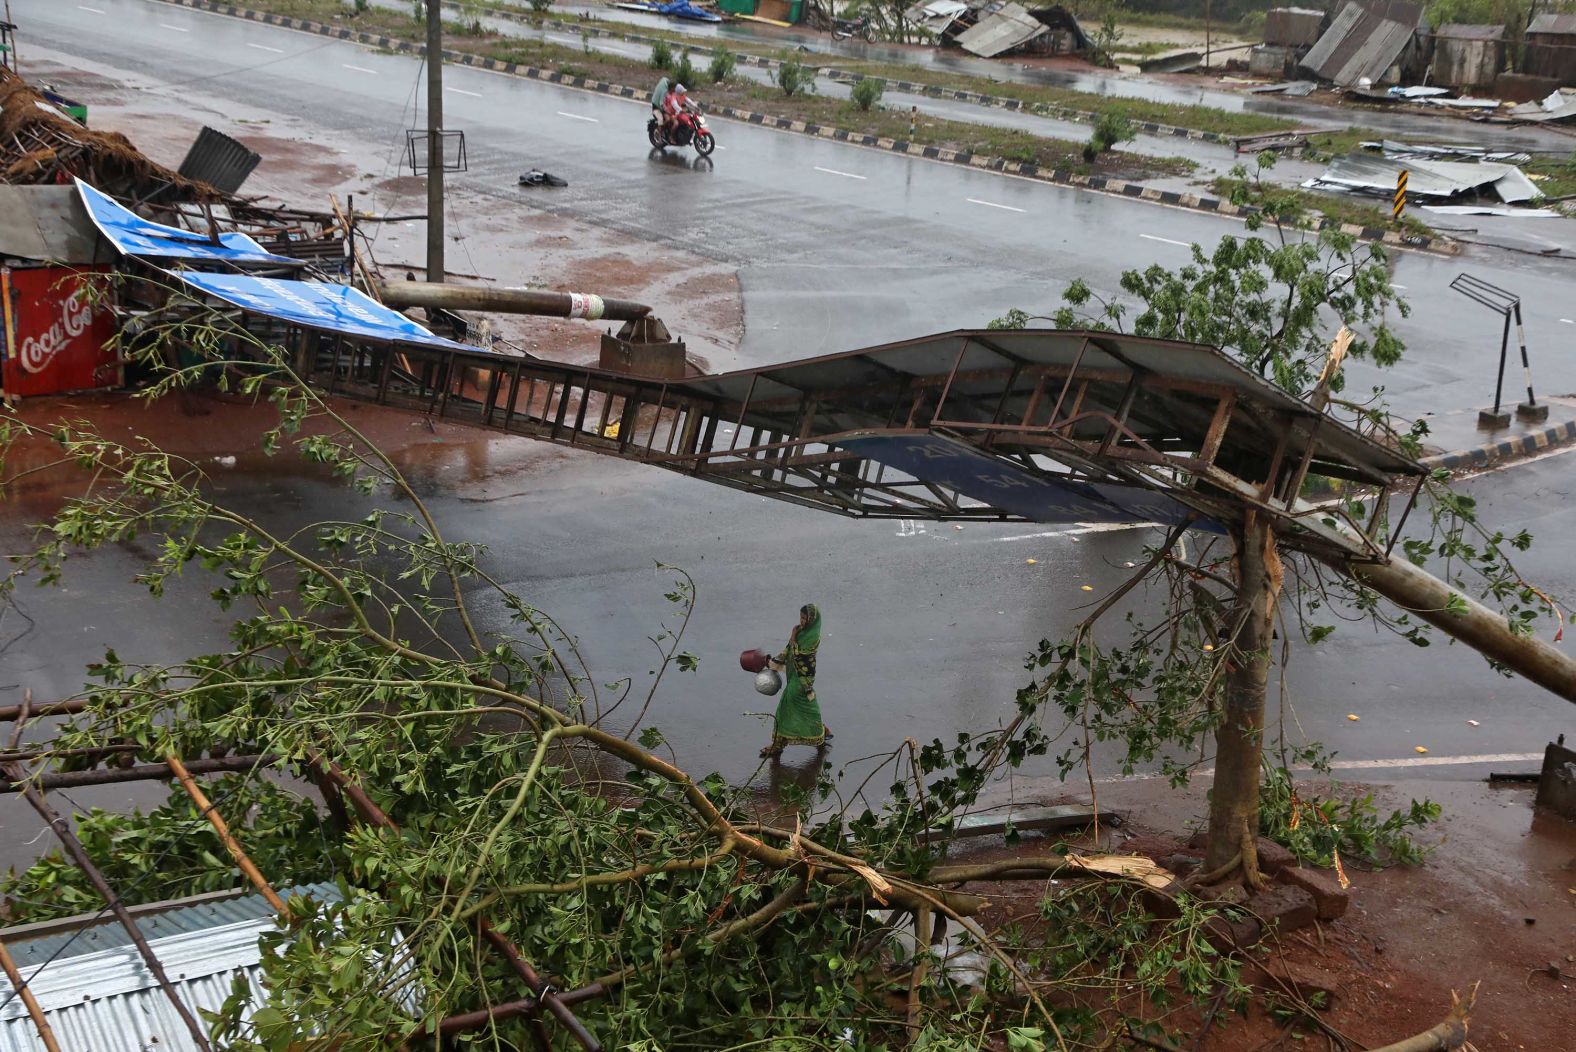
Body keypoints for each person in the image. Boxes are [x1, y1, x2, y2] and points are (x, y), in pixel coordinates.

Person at [760, 603, 832, 758]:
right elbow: (788, 649)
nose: (802, 621)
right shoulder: (801, 631)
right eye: (801, 617)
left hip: (803, 679)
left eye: (805, 618)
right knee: (804, 706)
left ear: (812, 620)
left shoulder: (813, 636)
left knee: (787, 706)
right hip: (793, 675)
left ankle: (779, 744)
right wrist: (773, 662)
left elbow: (799, 653)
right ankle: (820, 732)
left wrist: (793, 635)